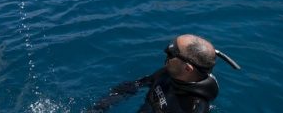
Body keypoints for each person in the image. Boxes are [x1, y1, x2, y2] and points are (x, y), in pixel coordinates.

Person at [88, 34, 241, 113]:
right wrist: (99, 107)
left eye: (171, 53)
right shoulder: (171, 73)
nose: (165, 55)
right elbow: (137, 84)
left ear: (188, 68)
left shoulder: (193, 108)